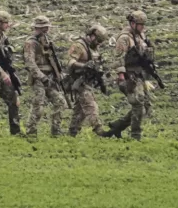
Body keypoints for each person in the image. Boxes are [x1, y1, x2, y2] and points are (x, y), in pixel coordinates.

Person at [103, 11, 155, 140]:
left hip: (140, 74)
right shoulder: (124, 38)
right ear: (132, 23)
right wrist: (121, 75)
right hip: (129, 75)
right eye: (140, 24)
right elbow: (118, 58)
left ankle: (118, 126)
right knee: (138, 104)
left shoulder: (141, 36)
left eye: (143, 24)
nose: (142, 27)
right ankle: (135, 135)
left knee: (146, 106)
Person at [23, 15, 65, 137]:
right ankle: (31, 132)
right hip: (38, 79)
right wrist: (41, 77)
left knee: (60, 102)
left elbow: (52, 59)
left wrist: (57, 73)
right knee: (38, 106)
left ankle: (56, 131)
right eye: (43, 27)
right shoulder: (31, 43)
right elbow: (30, 63)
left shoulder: (46, 40)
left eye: (47, 27)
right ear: (37, 28)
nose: (46, 29)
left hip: (50, 78)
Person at [66, 23, 109, 137]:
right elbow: (70, 62)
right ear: (92, 35)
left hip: (89, 81)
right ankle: (99, 129)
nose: (98, 44)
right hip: (79, 81)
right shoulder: (79, 46)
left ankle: (73, 131)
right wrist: (84, 66)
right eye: (98, 40)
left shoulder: (94, 48)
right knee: (91, 105)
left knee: (80, 110)